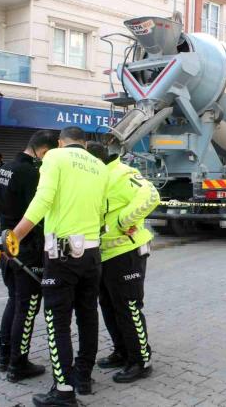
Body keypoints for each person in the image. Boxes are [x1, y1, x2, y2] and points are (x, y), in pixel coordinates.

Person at [11, 126, 108, 406]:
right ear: (85, 144)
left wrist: (14, 236)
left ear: (60, 142)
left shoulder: (54, 157)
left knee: (58, 322)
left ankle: (63, 391)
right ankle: (83, 378)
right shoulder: (99, 166)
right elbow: (102, 210)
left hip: (62, 255)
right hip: (92, 253)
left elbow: (43, 200)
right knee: (88, 316)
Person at [87, 142, 159, 383]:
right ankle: (122, 351)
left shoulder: (121, 173)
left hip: (126, 252)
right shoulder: (97, 177)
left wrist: (121, 223)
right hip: (104, 254)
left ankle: (141, 360)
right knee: (108, 305)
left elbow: (151, 196)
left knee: (129, 307)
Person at [0, 131, 59, 382]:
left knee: (14, 301)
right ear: (42, 151)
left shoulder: (6, 167)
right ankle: (18, 363)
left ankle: (4, 356)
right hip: (28, 249)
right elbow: (37, 214)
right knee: (28, 306)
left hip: (7, 243)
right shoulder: (32, 174)